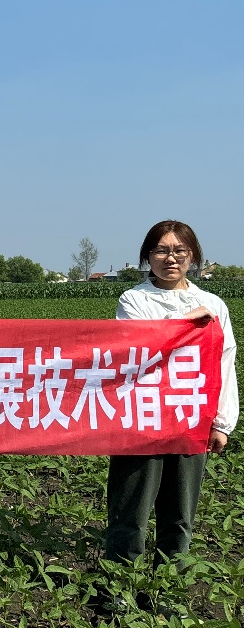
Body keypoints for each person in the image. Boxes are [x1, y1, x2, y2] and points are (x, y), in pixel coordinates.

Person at [105, 220, 237, 573]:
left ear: (193, 256)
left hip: (191, 418)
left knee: (179, 514)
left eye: (180, 250)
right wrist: (187, 322)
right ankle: (120, 585)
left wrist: (221, 422)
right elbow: (141, 348)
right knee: (130, 511)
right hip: (141, 419)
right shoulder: (134, 300)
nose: (171, 258)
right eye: (161, 250)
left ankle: (168, 586)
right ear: (148, 257)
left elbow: (224, 363)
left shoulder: (212, 303)